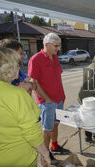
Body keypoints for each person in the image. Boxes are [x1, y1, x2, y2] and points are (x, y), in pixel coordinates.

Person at [0, 47, 50, 167]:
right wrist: (44, 153)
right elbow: (31, 130)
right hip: (19, 158)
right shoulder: (17, 94)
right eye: (17, 65)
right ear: (9, 71)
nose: (19, 68)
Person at [28, 33, 67, 164]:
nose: (59, 49)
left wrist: (62, 96)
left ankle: (54, 147)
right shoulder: (35, 59)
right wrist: (47, 100)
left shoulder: (55, 58)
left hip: (59, 99)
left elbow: (57, 78)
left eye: (59, 46)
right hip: (47, 102)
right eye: (56, 46)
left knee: (56, 125)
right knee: (47, 129)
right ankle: (45, 159)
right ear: (46, 45)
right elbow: (33, 83)